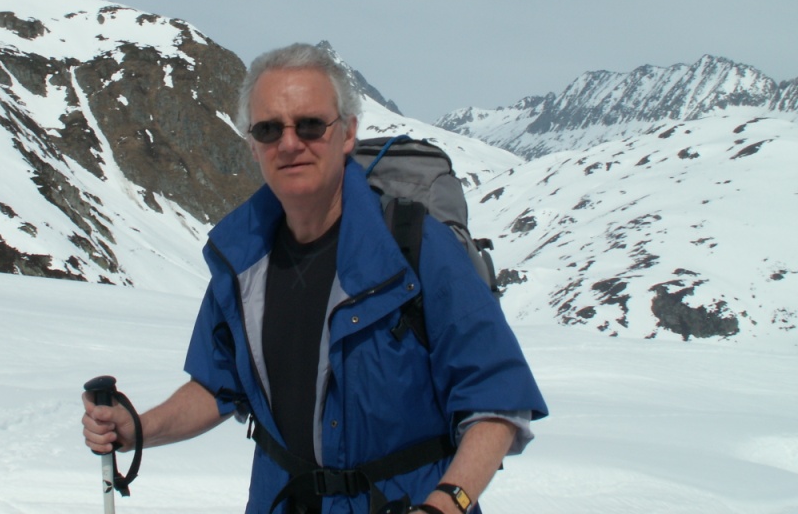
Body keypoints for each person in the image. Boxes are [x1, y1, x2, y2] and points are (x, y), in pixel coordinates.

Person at [83, 43, 548, 514]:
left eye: (309, 125)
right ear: (252, 145)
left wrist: (447, 503)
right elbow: (218, 385)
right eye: (269, 129)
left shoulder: (415, 246)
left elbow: (497, 401)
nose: (289, 143)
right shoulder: (243, 260)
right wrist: (139, 428)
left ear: (347, 133)